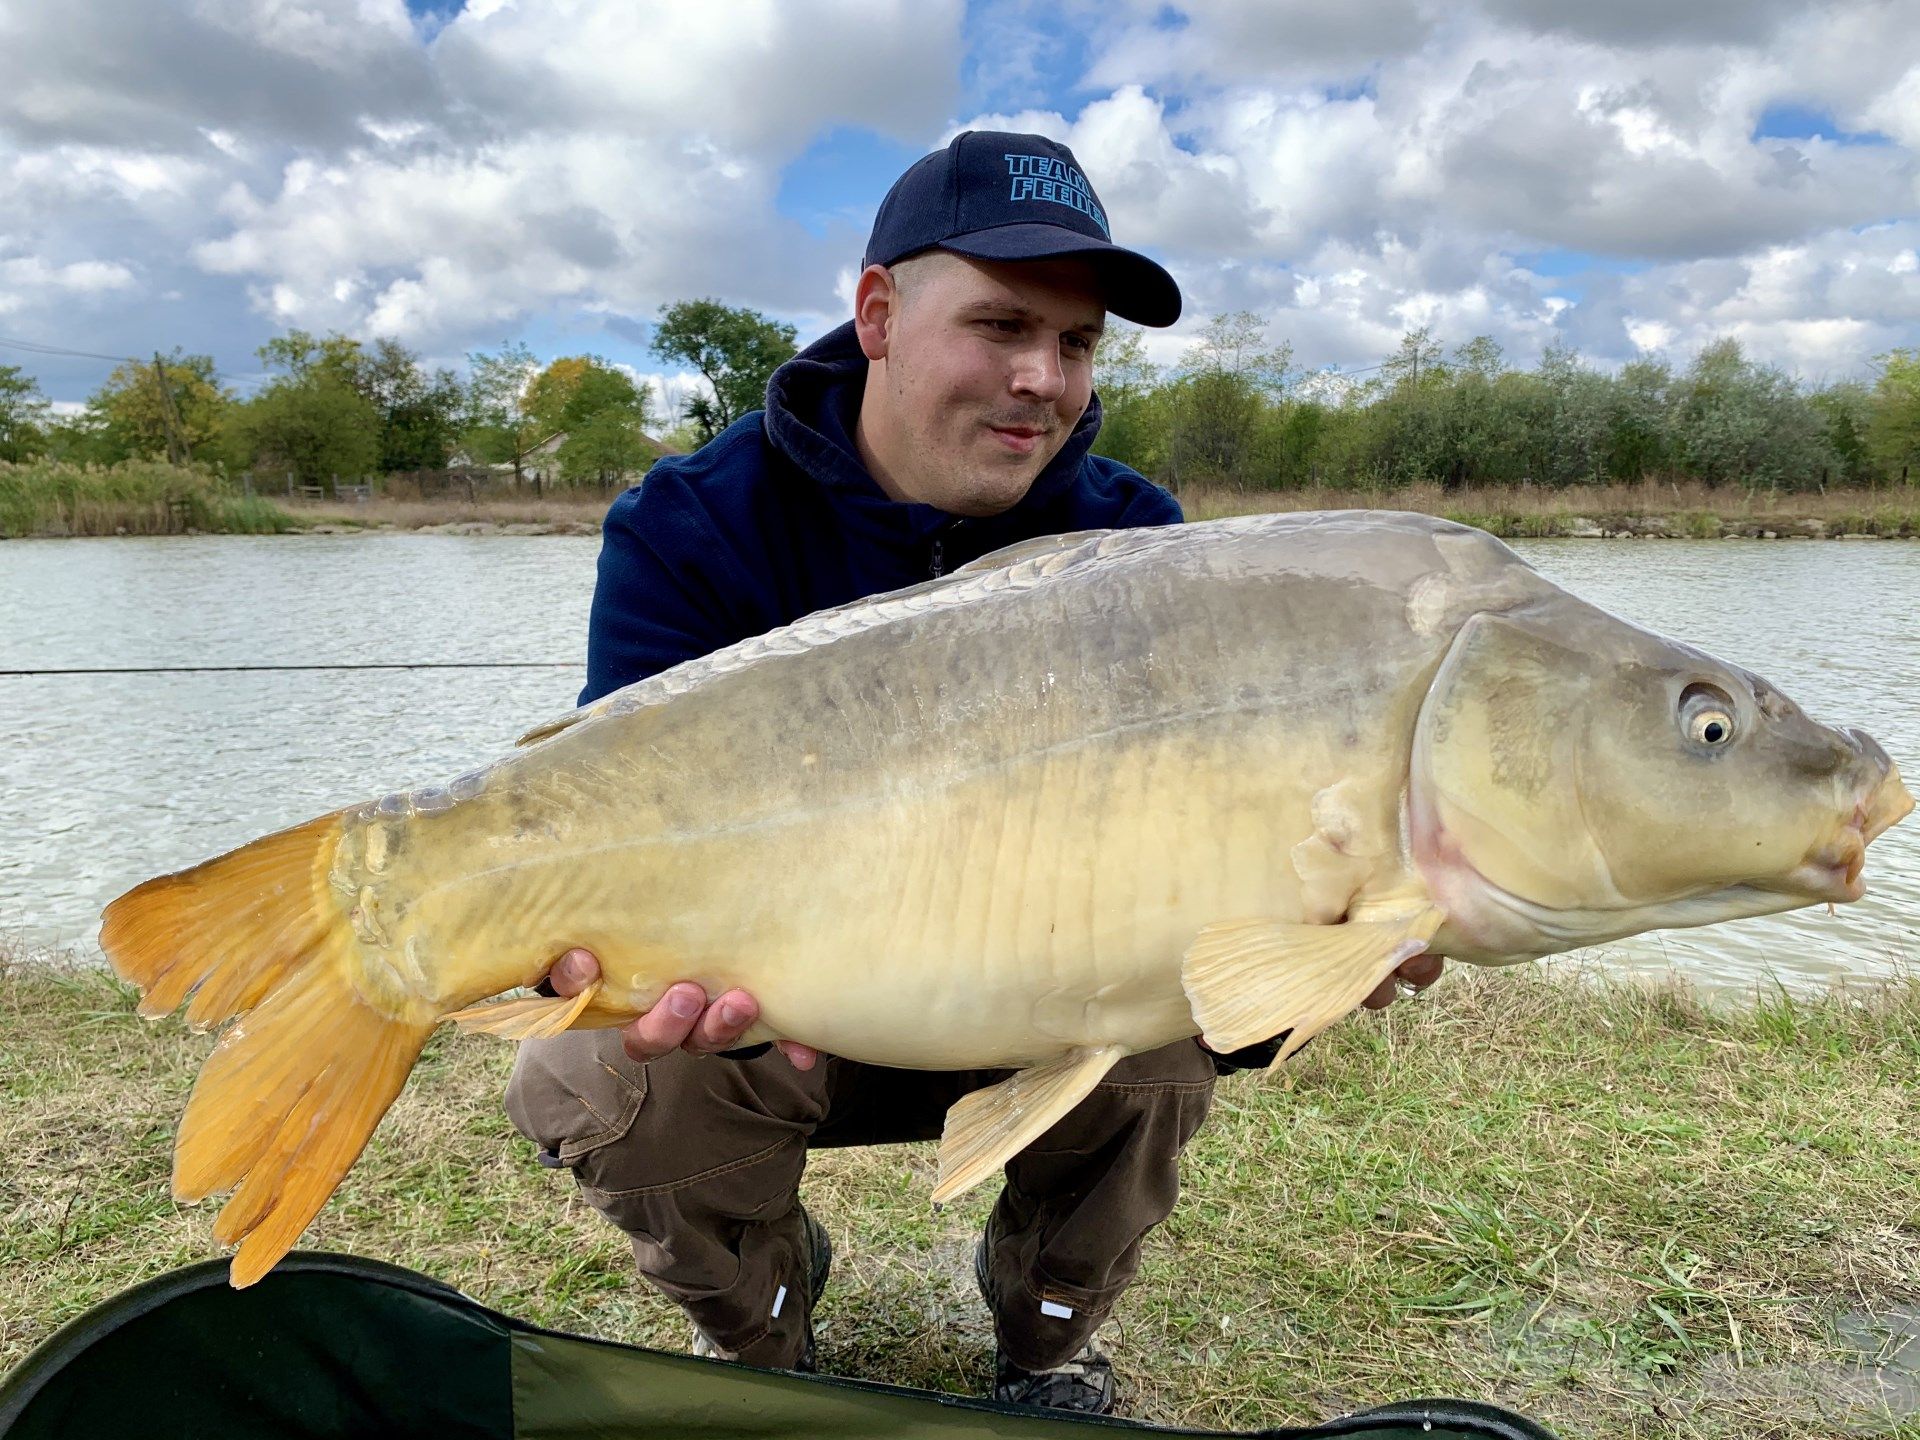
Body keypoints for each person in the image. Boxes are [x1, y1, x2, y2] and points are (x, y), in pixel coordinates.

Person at [504, 130, 1443, 1416]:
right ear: (879, 314)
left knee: (1162, 1035)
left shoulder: (1138, 546)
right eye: (1001, 326)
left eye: (1076, 343)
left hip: (1038, 982)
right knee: (596, 1075)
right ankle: (763, 1314)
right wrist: (607, 956)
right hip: (780, 1008)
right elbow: (609, 818)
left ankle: (1045, 1332)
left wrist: (1347, 924)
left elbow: (1223, 860)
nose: (1042, 381)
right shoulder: (692, 524)